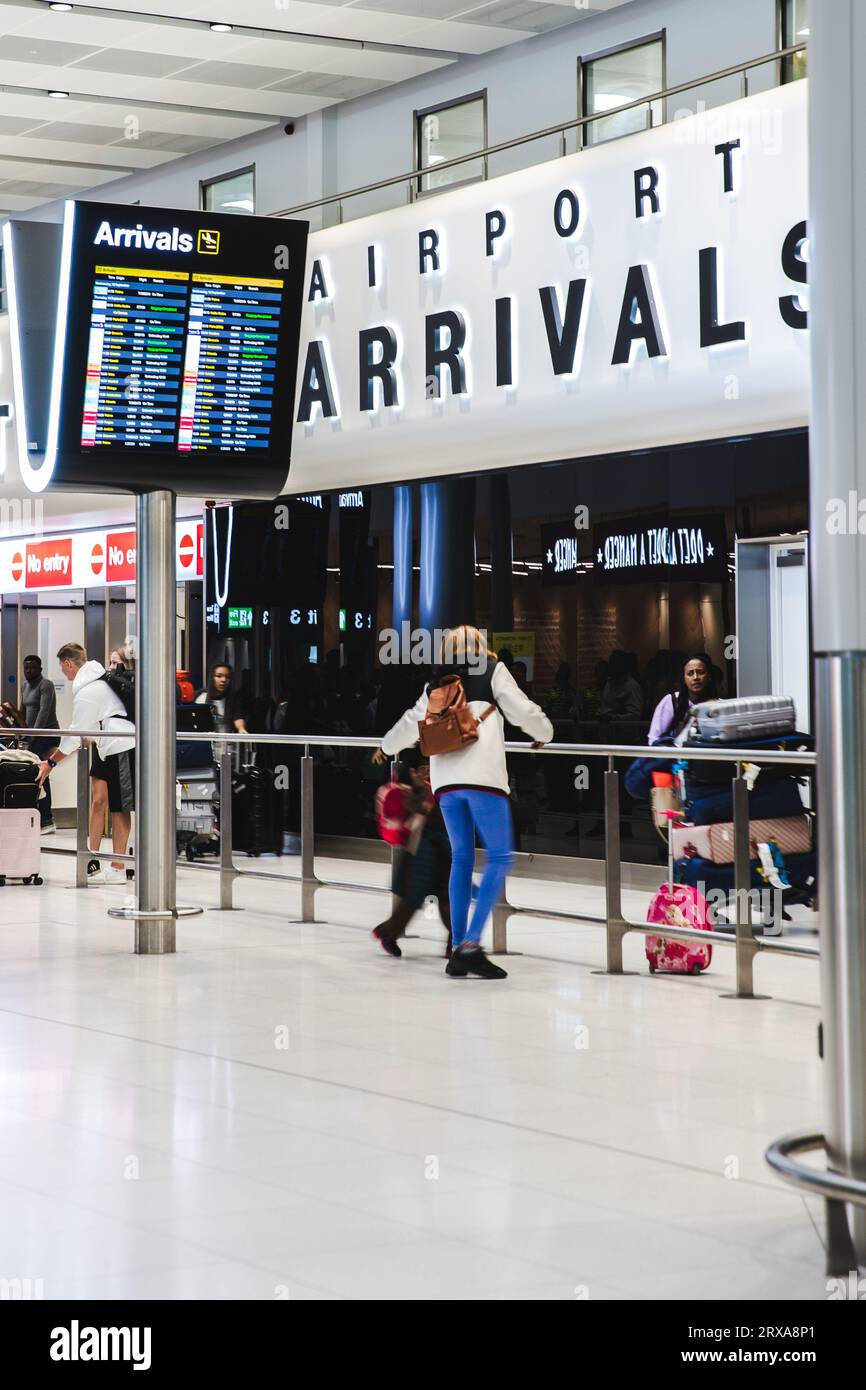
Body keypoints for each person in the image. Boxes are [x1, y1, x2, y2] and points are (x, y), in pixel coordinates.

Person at [372, 625, 552, 980]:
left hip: (446, 784)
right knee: (500, 856)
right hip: (483, 779)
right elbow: (522, 711)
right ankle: (469, 945)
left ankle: (457, 949)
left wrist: (386, 746)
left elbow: (412, 722)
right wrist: (545, 733)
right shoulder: (492, 670)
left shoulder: (437, 682)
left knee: (462, 858)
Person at [36, 643, 135, 885]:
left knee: (120, 808)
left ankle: (118, 868)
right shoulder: (94, 682)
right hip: (108, 747)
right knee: (102, 801)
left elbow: (73, 735)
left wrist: (51, 762)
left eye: (63, 668)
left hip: (121, 746)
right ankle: (99, 860)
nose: (64, 674)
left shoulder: (89, 690)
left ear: (69, 664)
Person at [371, 754, 453, 958]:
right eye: (423, 768)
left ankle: (455, 942)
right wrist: (420, 788)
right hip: (423, 845)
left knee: (446, 893)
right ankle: (388, 931)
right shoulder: (413, 788)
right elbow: (418, 807)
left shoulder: (443, 776)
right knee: (417, 894)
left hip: (441, 843)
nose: (427, 771)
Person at [19, 654, 59, 833]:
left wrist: (32, 736)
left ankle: (47, 819)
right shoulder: (24, 686)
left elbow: (43, 712)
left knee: (41, 773)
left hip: (47, 735)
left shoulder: (46, 685)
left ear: (40, 669)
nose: (28, 671)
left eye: (32, 668)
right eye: (26, 668)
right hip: (32, 736)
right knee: (35, 774)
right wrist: (20, 732)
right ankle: (40, 817)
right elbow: (22, 711)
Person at [648, 651, 720, 744]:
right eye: (690, 673)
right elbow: (654, 740)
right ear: (684, 679)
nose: (695, 677)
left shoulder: (720, 705)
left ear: (709, 676)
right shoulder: (672, 701)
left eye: (700, 672)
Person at [195, 662, 247, 734]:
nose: (223, 680)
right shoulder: (200, 696)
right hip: (203, 739)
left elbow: (238, 716)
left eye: (227, 677)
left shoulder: (234, 697)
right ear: (212, 677)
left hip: (226, 739)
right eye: (219, 676)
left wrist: (241, 729)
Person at [599, 649, 644, 722]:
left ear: (622, 665)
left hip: (622, 731)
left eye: (614, 663)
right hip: (608, 731)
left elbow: (635, 716)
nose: (610, 666)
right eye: (610, 663)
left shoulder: (632, 687)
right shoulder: (609, 683)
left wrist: (612, 718)